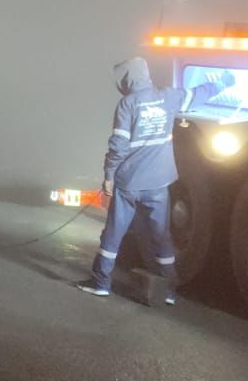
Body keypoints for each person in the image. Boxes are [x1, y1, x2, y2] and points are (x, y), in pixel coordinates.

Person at [77, 57, 232, 303]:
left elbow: (118, 145)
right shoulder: (168, 96)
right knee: (161, 236)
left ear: (127, 80)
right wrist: (224, 82)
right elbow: (196, 95)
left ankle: (100, 282)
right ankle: (169, 291)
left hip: (129, 183)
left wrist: (108, 176)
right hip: (159, 182)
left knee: (113, 234)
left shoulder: (127, 104)